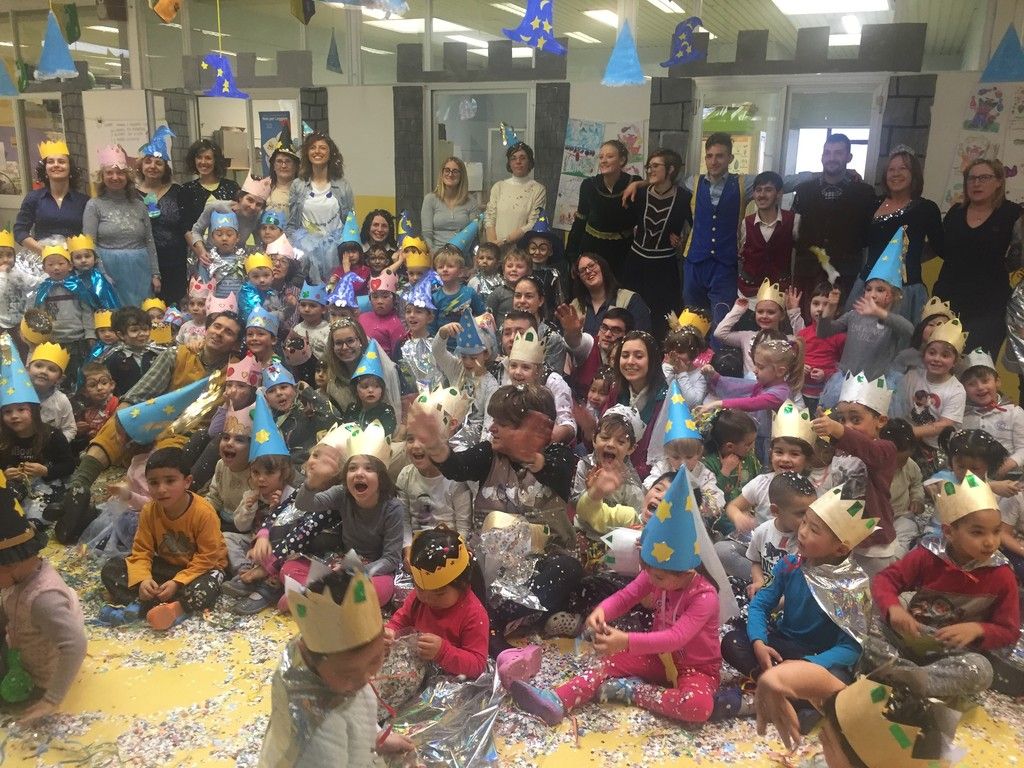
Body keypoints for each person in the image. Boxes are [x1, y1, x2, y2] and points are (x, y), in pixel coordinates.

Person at [509, 465, 724, 727]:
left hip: (695, 670)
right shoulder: (656, 573)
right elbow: (626, 596)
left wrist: (626, 641)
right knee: (608, 664)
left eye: (658, 577)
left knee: (698, 706)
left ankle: (635, 691)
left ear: (686, 572)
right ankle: (557, 699)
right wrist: (601, 611)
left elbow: (675, 637)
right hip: (658, 658)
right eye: (648, 572)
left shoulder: (705, 597)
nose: (651, 580)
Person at [405, 384, 582, 656]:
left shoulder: (559, 456)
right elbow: (457, 467)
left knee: (568, 569)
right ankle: (490, 619)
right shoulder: (490, 454)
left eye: (503, 424)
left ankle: (493, 622)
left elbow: (557, 473)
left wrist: (530, 456)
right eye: (493, 421)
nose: (492, 428)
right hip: (489, 562)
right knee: (452, 560)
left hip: (541, 562)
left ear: (535, 428)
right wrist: (435, 445)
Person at [52, 309, 243, 544]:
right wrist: (123, 419)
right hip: (156, 419)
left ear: (236, 342)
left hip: (189, 433)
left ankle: (128, 518)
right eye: (217, 326)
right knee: (120, 420)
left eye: (229, 332)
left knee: (158, 465)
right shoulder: (177, 354)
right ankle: (78, 488)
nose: (220, 333)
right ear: (207, 328)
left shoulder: (235, 371)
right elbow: (139, 393)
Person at [715, 484, 873, 723]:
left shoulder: (852, 587)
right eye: (804, 522)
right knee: (732, 642)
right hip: (783, 645)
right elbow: (760, 604)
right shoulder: (789, 564)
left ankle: (770, 695)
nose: (802, 532)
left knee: (839, 680)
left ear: (840, 548)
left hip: (816, 658)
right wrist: (759, 642)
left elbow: (851, 648)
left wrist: (806, 666)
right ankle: (786, 695)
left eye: (814, 530)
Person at [869, 472, 1021, 697]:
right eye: (977, 533)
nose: (990, 541)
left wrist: (978, 629)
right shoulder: (927, 556)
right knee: (868, 629)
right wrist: (894, 609)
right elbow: (885, 580)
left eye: (996, 531)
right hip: (911, 634)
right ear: (949, 532)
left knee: (981, 670)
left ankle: (906, 677)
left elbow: (1009, 630)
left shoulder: (1002, 575)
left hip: (951, 653)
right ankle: (910, 677)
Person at [257, 565, 414, 766]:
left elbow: (356, 714)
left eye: (375, 659)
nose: (365, 679)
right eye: (347, 674)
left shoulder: (329, 663)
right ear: (310, 657)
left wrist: (375, 739)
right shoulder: (318, 737)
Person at [271, 422, 403, 606]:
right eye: (352, 468)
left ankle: (318, 595)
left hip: (372, 569)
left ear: (381, 478)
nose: (359, 473)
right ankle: (325, 595)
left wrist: (356, 571)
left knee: (378, 591)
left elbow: (391, 559)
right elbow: (304, 504)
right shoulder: (342, 493)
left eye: (369, 469)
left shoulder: (393, 508)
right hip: (342, 561)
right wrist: (311, 483)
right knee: (290, 567)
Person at [99, 447, 228, 631]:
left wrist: (177, 582)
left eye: (170, 481)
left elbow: (208, 557)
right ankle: (158, 602)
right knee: (111, 569)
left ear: (187, 481)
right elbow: (141, 551)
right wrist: (143, 580)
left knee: (204, 589)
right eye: (154, 483)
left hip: (202, 570)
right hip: (169, 567)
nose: (161, 489)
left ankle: (171, 607)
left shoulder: (204, 513)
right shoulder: (149, 511)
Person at [0, 475, 86, 725]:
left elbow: (75, 644)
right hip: (18, 649)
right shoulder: (17, 578)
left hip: (39, 675)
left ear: (9, 563)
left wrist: (52, 699)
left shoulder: (43, 599)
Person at [811, 373, 900, 579]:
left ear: (881, 421)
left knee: (875, 592)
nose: (848, 425)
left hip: (874, 544)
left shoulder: (885, 449)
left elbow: (868, 450)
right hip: (844, 537)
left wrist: (838, 429)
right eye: (842, 419)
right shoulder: (842, 448)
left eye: (856, 419)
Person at [935, 158, 1023, 357]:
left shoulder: (1011, 214)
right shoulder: (955, 213)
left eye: (984, 178)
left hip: (989, 305)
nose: (976, 183)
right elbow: (943, 250)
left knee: (978, 365)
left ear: (999, 181)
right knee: (942, 362)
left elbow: (1018, 256)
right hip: (948, 300)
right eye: (971, 178)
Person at [815, 238, 914, 410]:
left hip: (874, 385)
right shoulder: (854, 314)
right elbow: (823, 333)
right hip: (846, 381)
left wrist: (880, 313)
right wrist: (830, 309)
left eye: (880, 290)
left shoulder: (892, 321)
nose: (872, 294)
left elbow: (910, 331)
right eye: (868, 289)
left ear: (893, 295)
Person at [849, 149, 943, 324]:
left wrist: (911, 257)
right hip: (869, 287)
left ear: (914, 174)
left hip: (905, 290)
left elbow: (939, 247)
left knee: (900, 335)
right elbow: (860, 240)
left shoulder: (926, 209)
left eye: (903, 168)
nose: (896, 174)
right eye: (891, 169)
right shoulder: (872, 204)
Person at [385, 527, 489, 679]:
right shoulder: (418, 598)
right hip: (415, 669)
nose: (428, 599)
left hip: (451, 679)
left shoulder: (474, 614)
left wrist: (443, 652)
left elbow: (477, 664)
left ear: (462, 585)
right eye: (420, 589)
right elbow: (401, 620)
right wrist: (391, 631)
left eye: (439, 594)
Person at [792, 133, 876, 308]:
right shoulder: (803, 191)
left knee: (843, 322)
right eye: (827, 153)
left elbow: (868, 237)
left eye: (838, 153)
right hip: (808, 273)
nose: (831, 158)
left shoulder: (864, 193)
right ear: (822, 157)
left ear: (849, 157)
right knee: (805, 321)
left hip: (846, 275)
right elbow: (795, 232)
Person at [699, 339, 805, 464]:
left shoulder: (781, 393)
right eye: (755, 365)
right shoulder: (764, 385)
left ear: (780, 371)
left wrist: (719, 403)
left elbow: (752, 403)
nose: (755, 370)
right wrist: (714, 375)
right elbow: (736, 387)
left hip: (769, 443)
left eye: (760, 367)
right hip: (757, 438)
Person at [82, 145, 160, 308]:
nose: (115, 177)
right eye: (109, 173)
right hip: (109, 270)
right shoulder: (94, 205)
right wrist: (102, 273)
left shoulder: (139, 205)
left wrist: (155, 274)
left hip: (140, 271)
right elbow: (89, 244)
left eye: (120, 173)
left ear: (127, 176)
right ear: (102, 176)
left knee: (140, 314)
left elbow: (149, 241)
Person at [626, 148, 692, 336]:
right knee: (632, 312)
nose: (650, 170)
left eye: (655, 166)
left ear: (671, 169)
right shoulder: (640, 193)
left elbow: (695, 228)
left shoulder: (684, 198)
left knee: (663, 318)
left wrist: (681, 240)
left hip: (664, 267)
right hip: (636, 262)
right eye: (649, 166)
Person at [565, 140, 643, 279]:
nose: (604, 161)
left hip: (623, 251)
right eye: (601, 157)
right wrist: (572, 256)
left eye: (610, 156)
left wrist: (639, 184)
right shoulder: (589, 185)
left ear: (622, 160)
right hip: (592, 250)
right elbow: (580, 221)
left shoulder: (634, 182)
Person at [902, 318, 968, 475]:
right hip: (908, 441)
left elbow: (943, 425)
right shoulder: (912, 376)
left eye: (945, 355)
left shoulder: (956, 390)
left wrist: (906, 432)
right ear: (924, 355)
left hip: (937, 450)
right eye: (932, 353)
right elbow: (899, 406)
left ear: (955, 361)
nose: (937, 359)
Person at [287, 132, 355, 282]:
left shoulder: (343, 185)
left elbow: (350, 221)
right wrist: (293, 249)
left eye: (322, 148)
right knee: (308, 292)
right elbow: (292, 224)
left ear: (331, 154)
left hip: (335, 250)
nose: (317, 151)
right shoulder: (298, 185)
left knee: (334, 290)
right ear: (307, 153)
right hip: (306, 251)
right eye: (312, 147)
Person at [137, 127, 188, 305]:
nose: (153, 166)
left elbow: (187, 224)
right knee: (148, 307)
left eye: (158, 163)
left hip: (176, 262)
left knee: (174, 307)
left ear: (166, 168)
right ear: (141, 166)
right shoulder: (131, 195)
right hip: (144, 262)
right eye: (148, 162)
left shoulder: (177, 191)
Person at [33, 243, 95, 387]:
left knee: (78, 373)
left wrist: (90, 334)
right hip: (54, 340)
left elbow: (87, 311)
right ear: (44, 268)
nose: (56, 268)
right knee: (58, 374)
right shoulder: (44, 289)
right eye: (51, 264)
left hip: (77, 339)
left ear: (70, 266)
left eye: (61, 263)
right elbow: (40, 315)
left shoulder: (78, 286)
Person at [715, 281, 804, 379]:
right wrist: (738, 309)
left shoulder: (788, 340)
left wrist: (793, 312)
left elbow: (804, 340)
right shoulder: (747, 337)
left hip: (777, 387)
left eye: (771, 312)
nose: (764, 316)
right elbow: (719, 334)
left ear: (782, 315)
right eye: (760, 312)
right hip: (750, 387)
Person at [14, 138, 89, 254]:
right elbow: (20, 231)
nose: (56, 165)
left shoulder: (84, 201)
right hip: (41, 257)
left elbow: (89, 235)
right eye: (50, 162)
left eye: (61, 161)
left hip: (74, 258)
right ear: (45, 170)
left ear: (70, 169)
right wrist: (46, 253)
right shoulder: (33, 198)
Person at [738, 171, 799, 299]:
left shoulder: (793, 220)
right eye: (758, 190)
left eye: (768, 190)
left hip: (780, 293)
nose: (762, 195)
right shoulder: (746, 222)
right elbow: (743, 251)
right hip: (750, 292)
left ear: (779, 193)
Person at [569, 253, 651, 336]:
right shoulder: (575, 305)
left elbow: (641, 339)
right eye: (582, 270)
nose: (588, 271)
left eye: (591, 265)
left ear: (602, 266)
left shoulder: (631, 300)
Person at [484, 141, 546, 247]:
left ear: (530, 162)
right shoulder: (498, 187)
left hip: (521, 250)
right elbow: (490, 218)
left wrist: (504, 241)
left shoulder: (538, 189)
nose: (518, 162)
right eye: (513, 158)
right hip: (495, 250)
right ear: (509, 163)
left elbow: (533, 223)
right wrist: (493, 245)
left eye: (523, 158)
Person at [178, 139, 241, 233]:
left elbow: (240, 219)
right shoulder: (186, 190)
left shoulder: (231, 186)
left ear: (216, 160)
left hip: (229, 240)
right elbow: (186, 228)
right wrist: (199, 243)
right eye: (199, 157)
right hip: (197, 241)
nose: (203, 162)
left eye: (208, 158)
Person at [421, 157, 480, 252]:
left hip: (462, 255)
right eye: (447, 170)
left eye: (455, 171)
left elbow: (473, 236)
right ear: (442, 173)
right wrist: (433, 255)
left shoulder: (471, 201)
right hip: (437, 255)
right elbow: (427, 234)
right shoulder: (430, 199)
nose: (450, 174)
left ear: (462, 175)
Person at [102, 306, 158, 397]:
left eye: (145, 329)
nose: (142, 334)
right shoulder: (113, 359)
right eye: (134, 330)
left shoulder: (156, 354)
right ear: (121, 335)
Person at [28, 342, 76, 443]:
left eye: (51, 369)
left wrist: (56, 446)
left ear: (60, 379)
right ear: (28, 369)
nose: (44, 371)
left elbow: (70, 429)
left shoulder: (61, 400)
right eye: (38, 366)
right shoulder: (16, 393)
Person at [265, 124, 300, 211]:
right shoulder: (264, 189)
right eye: (279, 161)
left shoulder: (302, 191)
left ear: (296, 166)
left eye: (288, 161)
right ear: (273, 166)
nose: (283, 165)